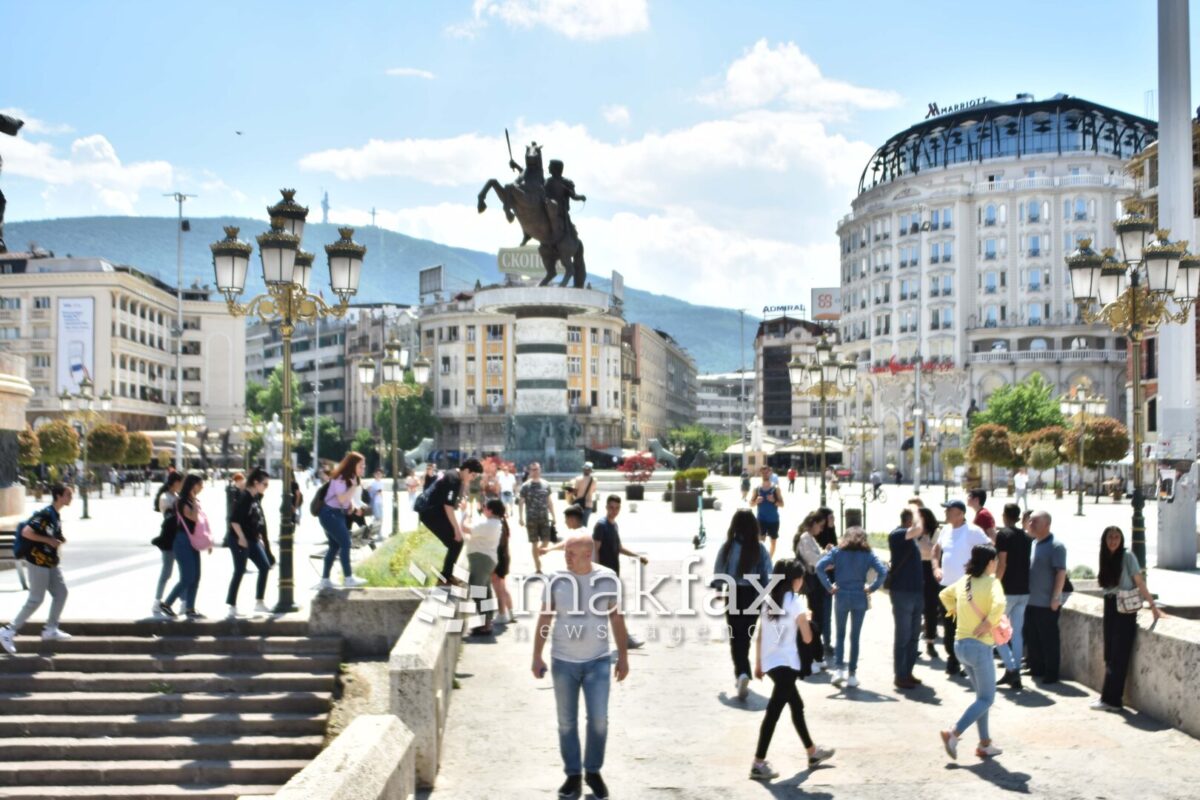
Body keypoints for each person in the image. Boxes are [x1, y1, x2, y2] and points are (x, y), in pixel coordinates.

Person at [532, 536, 629, 800]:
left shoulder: (608, 579)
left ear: (588, 555)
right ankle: (573, 775)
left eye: (571, 554)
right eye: (565, 553)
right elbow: (545, 617)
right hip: (563, 662)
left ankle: (593, 772)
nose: (566, 557)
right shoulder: (555, 579)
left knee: (599, 721)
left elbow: (617, 619)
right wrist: (536, 655)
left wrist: (623, 656)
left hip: (598, 662)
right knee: (566, 723)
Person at [749, 559, 835, 781]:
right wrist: (806, 620)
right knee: (774, 712)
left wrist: (758, 664)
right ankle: (758, 763)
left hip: (771, 664)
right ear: (795, 580)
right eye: (801, 578)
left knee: (797, 705)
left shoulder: (768, 599)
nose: (802, 582)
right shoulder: (794, 602)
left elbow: (760, 634)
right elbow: (807, 638)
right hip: (787, 663)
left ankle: (812, 752)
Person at [938, 544, 1006, 761]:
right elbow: (1000, 603)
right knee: (987, 698)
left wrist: (955, 611)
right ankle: (953, 734)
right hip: (979, 647)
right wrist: (988, 622)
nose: (996, 564)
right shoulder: (992, 582)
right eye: (994, 561)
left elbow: (944, 595)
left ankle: (985, 744)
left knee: (981, 698)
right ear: (989, 562)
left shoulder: (964, 581)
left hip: (960, 646)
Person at [1093, 526, 1162, 711]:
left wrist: (1153, 606)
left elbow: (1139, 582)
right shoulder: (1105, 557)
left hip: (1124, 609)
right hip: (1111, 605)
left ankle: (1113, 700)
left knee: (1119, 655)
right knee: (1110, 652)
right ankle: (1107, 698)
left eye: (1117, 537)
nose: (1113, 540)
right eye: (1110, 537)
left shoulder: (1128, 556)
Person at [0, 483, 74, 654]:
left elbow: (52, 534)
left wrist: (58, 539)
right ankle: (8, 631)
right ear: (58, 496)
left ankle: (50, 629)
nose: (70, 498)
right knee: (36, 599)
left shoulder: (55, 515)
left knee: (61, 593)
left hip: (50, 562)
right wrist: (49, 541)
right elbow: (27, 532)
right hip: (37, 561)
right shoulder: (45, 514)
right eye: (68, 495)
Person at [815, 527, 887, 688]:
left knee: (840, 634)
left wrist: (829, 586)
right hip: (859, 596)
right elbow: (882, 572)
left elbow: (819, 567)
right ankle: (852, 674)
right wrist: (872, 588)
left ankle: (839, 669)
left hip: (841, 595)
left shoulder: (837, 552)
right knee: (854, 637)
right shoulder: (868, 554)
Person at [712, 509, 773, 700]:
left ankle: (741, 672)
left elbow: (719, 570)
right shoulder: (760, 548)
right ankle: (742, 672)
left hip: (733, 593)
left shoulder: (728, 546)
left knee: (735, 635)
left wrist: (719, 589)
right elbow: (768, 574)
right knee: (745, 635)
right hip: (753, 595)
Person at [932, 500, 990, 676]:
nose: (946, 513)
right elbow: (936, 549)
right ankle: (953, 658)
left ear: (961, 513)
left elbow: (989, 549)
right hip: (946, 588)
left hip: (966, 589)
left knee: (965, 626)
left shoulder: (973, 531)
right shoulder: (945, 530)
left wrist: (978, 573)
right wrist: (936, 567)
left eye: (950, 510)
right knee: (949, 626)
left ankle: (966, 662)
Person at [417, 458, 482, 587]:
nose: (473, 479)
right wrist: (457, 530)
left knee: (455, 543)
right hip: (430, 513)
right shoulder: (453, 479)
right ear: (467, 470)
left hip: (434, 511)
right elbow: (448, 507)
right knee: (456, 541)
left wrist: (464, 487)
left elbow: (453, 498)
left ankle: (446, 576)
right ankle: (445, 578)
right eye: (473, 475)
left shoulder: (455, 474)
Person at [1025, 510, 1066, 684]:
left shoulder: (1056, 546)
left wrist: (1056, 597)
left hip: (1047, 603)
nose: (1030, 525)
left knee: (1049, 640)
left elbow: (1061, 572)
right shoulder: (1034, 543)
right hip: (1030, 601)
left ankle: (1051, 672)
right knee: (1032, 637)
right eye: (1030, 521)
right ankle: (1036, 667)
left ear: (1046, 525)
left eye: (1035, 522)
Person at [163, 473, 212, 619]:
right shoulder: (182, 501)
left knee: (196, 576)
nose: (202, 487)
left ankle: (190, 608)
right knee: (187, 577)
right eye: (200, 484)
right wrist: (195, 503)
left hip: (192, 541)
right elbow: (194, 517)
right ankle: (166, 603)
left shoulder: (192, 500)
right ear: (192, 485)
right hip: (182, 541)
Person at [318, 452, 369, 590]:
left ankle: (325, 580)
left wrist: (353, 509)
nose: (363, 468)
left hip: (337, 514)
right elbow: (341, 499)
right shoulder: (340, 478)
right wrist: (352, 487)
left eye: (363, 465)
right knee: (346, 543)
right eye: (361, 465)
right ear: (353, 465)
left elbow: (345, 502)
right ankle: (348, 578)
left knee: (334, 547)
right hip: (329, 515)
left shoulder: (351, 478)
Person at [994, 503, 1032, 690]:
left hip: (1007, 590)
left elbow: (1002, 563)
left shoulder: (1003, 535)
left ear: (1004, 516)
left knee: (997, 631)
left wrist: (995, 584)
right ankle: (1014, 670)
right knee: (1016, 633)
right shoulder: (1026, 537)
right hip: (1023, 590)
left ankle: (1011, 669)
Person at [226, 468, 273, 618]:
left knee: (264, 567)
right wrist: (241, 537)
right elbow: (234, 520)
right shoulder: (244, 497)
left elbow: (255, 520)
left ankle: (259, 602)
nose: (266, 487)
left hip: (252, 539)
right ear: (255, 482)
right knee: (239, 570)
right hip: (239, 539)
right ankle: (231, 606)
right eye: (265, 484)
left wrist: (259, 538)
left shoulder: (255, 497)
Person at [888, 508, 924, 689]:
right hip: (902, 593)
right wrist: (918, 515)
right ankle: (900, 675)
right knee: (903, 636)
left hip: (917, 592)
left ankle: (908, 672)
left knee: (914, 636)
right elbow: (918, 530)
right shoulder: (897, 534)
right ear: (909, 521)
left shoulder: (911, 540)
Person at [464, 498, 506, 636]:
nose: (483, 509)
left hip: (481, 560)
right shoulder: (494, 523)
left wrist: (464, 513)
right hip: (486, 560)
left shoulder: (489, 524)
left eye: (485, 507)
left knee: (477, 590)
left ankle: (485, 623)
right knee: (485, 591)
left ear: (491, 510)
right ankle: (486, 622)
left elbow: (466, 528)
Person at [793, 511, 828, 672]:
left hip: (814, 582)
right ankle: (813, 655)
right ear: (813, 523)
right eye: (820, 526)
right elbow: (814, 561)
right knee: (815, 619)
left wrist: (825, 552)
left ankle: (816, 654)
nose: (821, 530)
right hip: (812, 582)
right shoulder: (805, 538)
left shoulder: (808, 537)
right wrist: (828, 555)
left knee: (817, 617)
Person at [152, 472, 183, 618]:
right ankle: (157, 601)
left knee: (185, 571)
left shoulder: (177, 496)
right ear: (174, 482)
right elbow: (168, 516)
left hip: (179, 538)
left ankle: (184, 601)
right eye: (180, 482)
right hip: (169, 538)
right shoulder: (165, 497)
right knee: (167, 571)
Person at [519, 462, 556, 574]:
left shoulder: (546, 484)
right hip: (531, 519)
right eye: (533, 469)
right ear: (529, 471)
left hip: (544, 518)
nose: (535, 471)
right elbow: (521, 502)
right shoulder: (525, 486)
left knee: (546, 541)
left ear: (540, 470)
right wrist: (520, 517)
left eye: (537, 469)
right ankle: (538, 566)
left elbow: (549, 501)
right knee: (534, 542)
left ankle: (537, 553)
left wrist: (554, 515)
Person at [915, 507, 941, 659]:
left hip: (929, 570)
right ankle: (914, 643)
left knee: (930, 607)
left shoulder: (935, 532)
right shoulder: (914, 532)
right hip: (916, 568)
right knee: (915, 607)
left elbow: (934, 550)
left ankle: (930, 641)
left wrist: (923, 540)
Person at [814, 506, 838, 658]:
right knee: (821, 612)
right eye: (830, 518)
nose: (832, 520)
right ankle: (821, 643)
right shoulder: (817, 533)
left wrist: (832, 528)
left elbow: (834, 547)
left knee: (827, 612)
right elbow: (824, 549)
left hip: (830, 576)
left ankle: (827, 642)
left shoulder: (829, 529)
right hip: (820, 577)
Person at [491, 498, 515, 625]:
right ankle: (510, 614)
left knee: (498, 589)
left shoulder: (495, 523)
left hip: (497, 558)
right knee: (503, 587)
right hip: (504, 557)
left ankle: (501, 614)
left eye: (486, 508)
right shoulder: (502, 521)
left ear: (492, 510)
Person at [751, 466, 784, 557]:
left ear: (770, 473)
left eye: (767, 472)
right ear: (760, 473)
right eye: (763, 472)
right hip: (761, 519)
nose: (765, 474)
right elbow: (751, 504)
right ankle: (761, 559)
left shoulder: (776, 488)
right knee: (760, 542)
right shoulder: (757, 489)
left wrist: (774, 501)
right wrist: (756, 501)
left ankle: (769, 559)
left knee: (773, 542)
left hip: (773, 519)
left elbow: (782, 504)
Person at [225, 472, 245, 545]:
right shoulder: (232, 489)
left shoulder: (239, 489)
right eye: (241, 480)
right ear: (237, 480)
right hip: (232, 513)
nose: (242, 482)